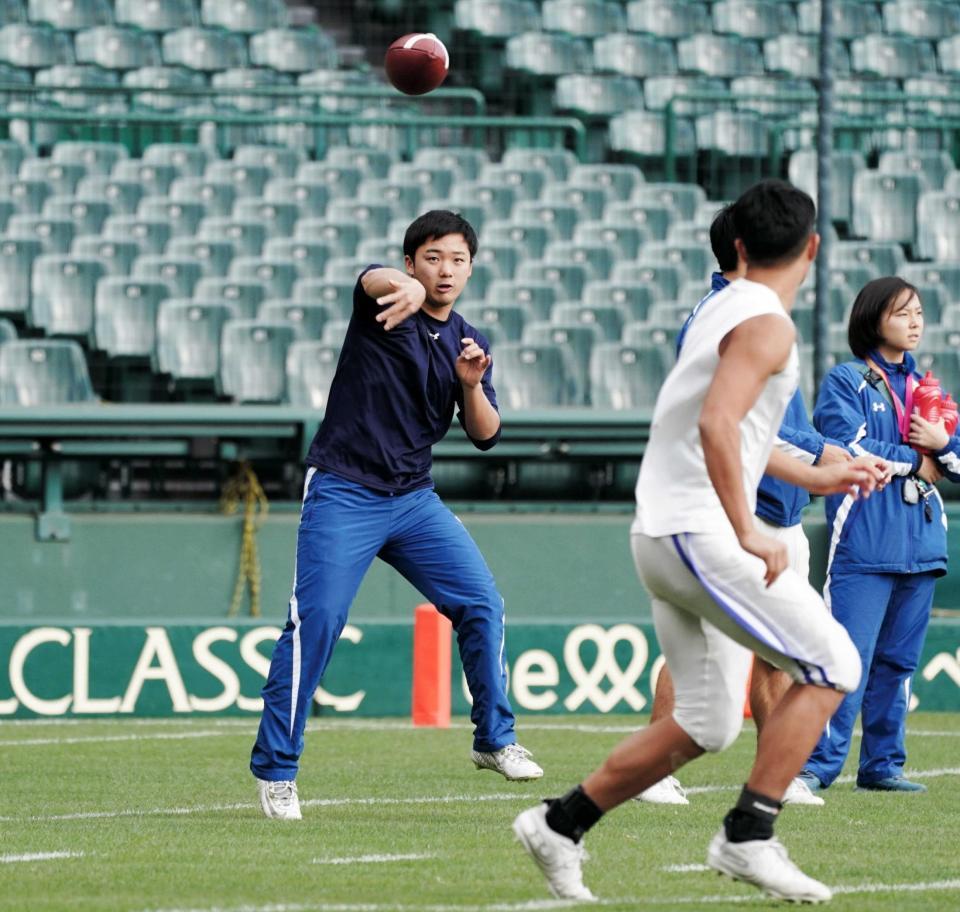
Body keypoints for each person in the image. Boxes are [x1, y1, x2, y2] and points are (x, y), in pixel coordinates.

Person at [512, 180, 886, 903]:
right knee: (833, 663)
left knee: (707, 723)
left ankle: (560, 823)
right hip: (697, 530)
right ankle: (749, 835)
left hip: (665, 531)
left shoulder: (719, 306)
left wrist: (814, 474)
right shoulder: (767, 322)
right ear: (811, 249)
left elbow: (732, 429)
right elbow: (718, 425)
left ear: (738, 247)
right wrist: (749, 528)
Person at [250, 210, 543, 821]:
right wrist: (398, 285)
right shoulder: (385, 303)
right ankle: (277, 772)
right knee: (318, 621)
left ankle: (494, 739)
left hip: (412, 500)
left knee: (481, 602)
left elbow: (487, 433)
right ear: (412, 261)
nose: (445, 269)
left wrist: (469, 385)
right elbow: (369, 280)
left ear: (470, 268)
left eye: (457, 259)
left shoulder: (467, 339)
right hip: (344, 489)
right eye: (432, 257)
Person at [638, 205, 852, 809]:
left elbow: (760, 426)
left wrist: (820, 467)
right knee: (709, 646)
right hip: (733, 512)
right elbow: (727, 423)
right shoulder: (735, 317)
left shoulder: (754, 311)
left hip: (777, 511)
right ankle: (654, 773)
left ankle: (773, 778)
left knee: (773, 656)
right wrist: (819, 457)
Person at [797, 277, 960, 795]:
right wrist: (922, 459)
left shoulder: (928, 389)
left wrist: (943, 443)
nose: (916, 322)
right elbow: (847, 445)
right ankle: (816, 768)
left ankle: (883, 766)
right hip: (864, 544)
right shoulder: (847, 380)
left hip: (922, 546)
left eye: (919, 313)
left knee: (898, 664)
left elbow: (955, 460)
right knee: (846, 660)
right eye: (903, 313)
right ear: (873, 320)